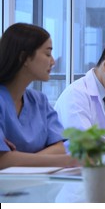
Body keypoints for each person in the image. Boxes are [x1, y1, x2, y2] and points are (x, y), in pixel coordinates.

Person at [0, 23, 78, 169]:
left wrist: (15, 159)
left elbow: (59, 148)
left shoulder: (39, 101)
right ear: (25, 57)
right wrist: (67, 161)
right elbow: (2, 161)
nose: (53, 61)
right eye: (48, 54)